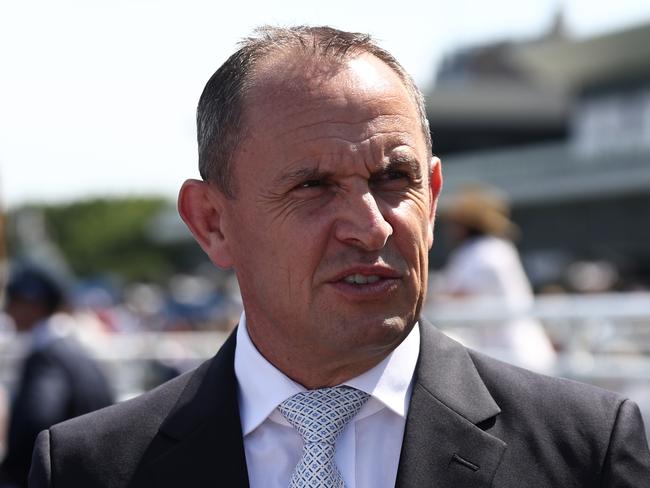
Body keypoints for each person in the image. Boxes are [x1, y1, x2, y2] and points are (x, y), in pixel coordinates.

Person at [29, 26, 649, 488]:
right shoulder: (90, 467)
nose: (370, 226)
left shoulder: (585, 450)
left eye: (392, 179)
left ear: (432, 201)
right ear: (213, 224)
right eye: (313, 187)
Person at [0, 267, 113, 488]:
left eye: (14, 302)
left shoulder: (46, 357)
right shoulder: (74, 350)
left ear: (32, 306)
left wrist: (13, 475)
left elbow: (38, 421)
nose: (9, 311)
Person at [436, 184, 557, 372]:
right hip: (527, 350)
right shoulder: (499, 248)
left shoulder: (477, 253)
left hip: (509, 357)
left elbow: (453, 297)